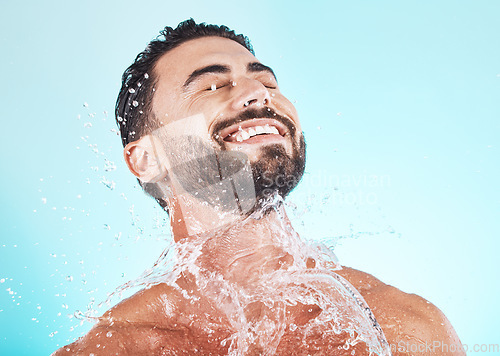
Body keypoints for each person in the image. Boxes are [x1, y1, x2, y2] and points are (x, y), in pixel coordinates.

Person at [53, 19, 464, 355]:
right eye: (212, 86)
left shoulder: (403, 329)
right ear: (146, 159)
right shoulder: (117, 347)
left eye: (267, 81)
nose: (257, 93)